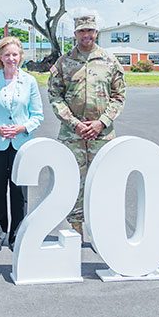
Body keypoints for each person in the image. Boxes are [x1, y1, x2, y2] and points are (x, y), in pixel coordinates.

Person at [47, 15, 126, 236]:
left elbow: (119, 96)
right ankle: (76, 230)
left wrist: (102, 122)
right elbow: (55, 96)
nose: (86, 35)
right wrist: (74, 124)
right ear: (75, 34)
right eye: (82, 31)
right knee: (73, 182)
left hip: (102, 135)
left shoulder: (109, 61)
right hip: (72, 136)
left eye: (90, 30)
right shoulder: (63, 63)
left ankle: (103, 231)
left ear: (96, 32)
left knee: (103, 181)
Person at [0, 36, 43, 252]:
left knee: (19, 192)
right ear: (0, 57)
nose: (11, 58)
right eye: (7, 55)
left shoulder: (30, 81)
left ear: (20, 56)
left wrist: (22, 128)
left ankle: (17, 235)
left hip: (21, 144)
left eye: (15, 54)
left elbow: (37, 115)